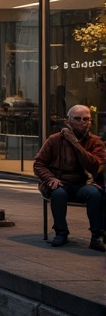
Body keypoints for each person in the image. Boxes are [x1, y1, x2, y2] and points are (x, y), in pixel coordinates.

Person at [33, 104, 105, 250]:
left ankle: (97, 236)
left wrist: (75, 143)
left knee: (94, 194)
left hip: (82, 183)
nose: (82, 122)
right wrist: (50, 178)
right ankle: (61, 233)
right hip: (59, 181)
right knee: (58, 194)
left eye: (86, 119)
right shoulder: (54, 140)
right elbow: (39, 163)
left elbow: (94, 166)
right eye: (77, 119)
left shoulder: (95, 141)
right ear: (68, 120)